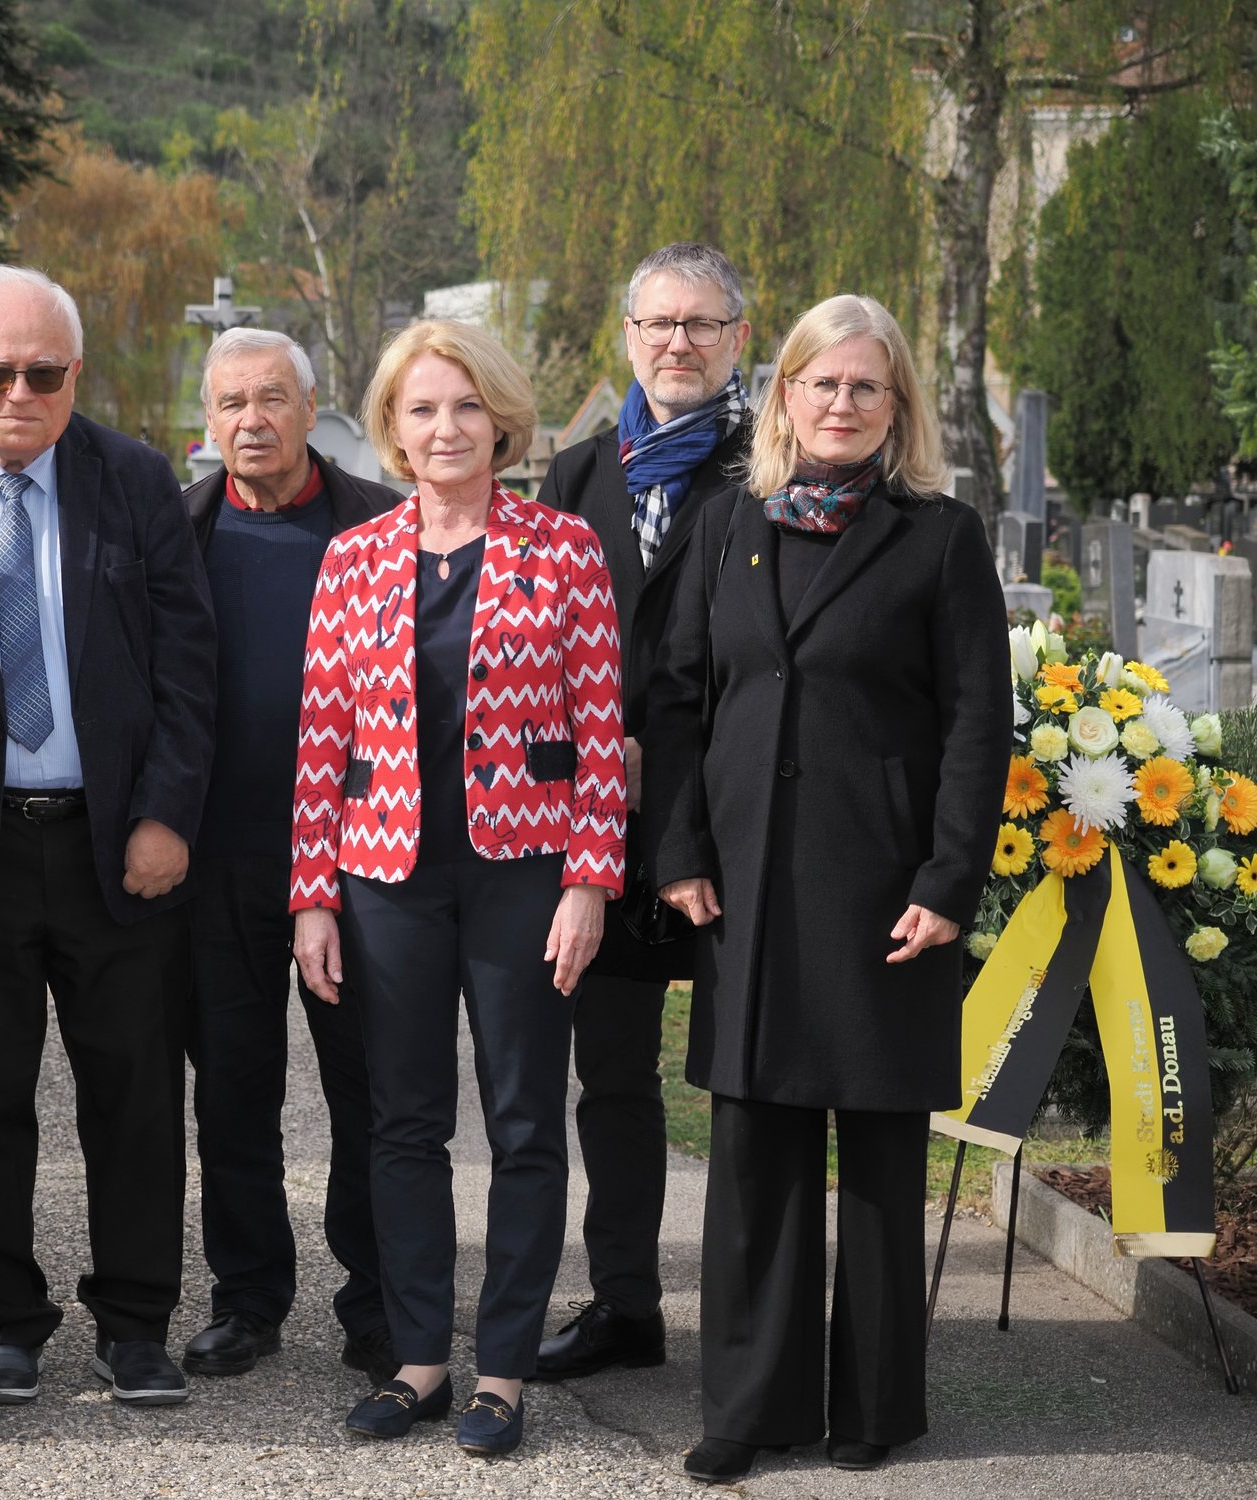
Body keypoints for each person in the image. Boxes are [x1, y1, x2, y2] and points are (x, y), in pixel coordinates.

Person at [645, 294, 1010, 1481]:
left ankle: (872, 1410)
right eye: (820, 383)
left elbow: (972, 728)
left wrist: (950, 880)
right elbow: (682, 699)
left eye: (864, 387)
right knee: (754, 1156)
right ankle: (747, 1412)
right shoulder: (723, 526)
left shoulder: (940, 538)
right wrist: (680, 850)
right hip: (746, 887)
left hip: (882, 892)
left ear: (894, 405)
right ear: (784, 393)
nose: (840, 404)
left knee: (878, 1159)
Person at [0, 266, 216, 1409]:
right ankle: (0, 1318)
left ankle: (134, 1324)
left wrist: (165, 813)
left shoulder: (129, 479)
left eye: (44, 373)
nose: (18, 394)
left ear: (75, 375)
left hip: (113, 846)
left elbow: (188, 665)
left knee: (132, 1093)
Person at [292, 320, 627, 1457]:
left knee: (525, 1122)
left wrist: (589, 883)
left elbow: (598, 737)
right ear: (392, 427)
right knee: (400, 1124)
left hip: (522, 877)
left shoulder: (566, 549)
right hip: (383, 877)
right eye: (422, 409)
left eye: (465, 407)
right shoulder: (354, 559)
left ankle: (502, 1373)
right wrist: (312, 896)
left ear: (500, 420)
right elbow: (319, 744)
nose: (444, 428)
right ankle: (418, 1360)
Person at [532, 243, 752, 1383]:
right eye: (658, 324)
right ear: (626, 337)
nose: (677, 343)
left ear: (736, 343)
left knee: (740, 1077)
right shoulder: (577, 476)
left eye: (700, 325)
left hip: (733, 829)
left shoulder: (770, 473)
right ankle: (626, 1303)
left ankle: (747, 1310)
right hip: (602, 835)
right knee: (609, 1077)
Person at [178, 328, 402, 1383]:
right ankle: (248, 1297)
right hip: (216, 859)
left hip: (354, 863)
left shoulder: (381, 526)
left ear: (313, 410)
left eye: (271, 399)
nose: (250, 421)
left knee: (365, 1088)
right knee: (231, 1088)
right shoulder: (178, 530)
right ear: (206, 422)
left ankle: (376, 1300)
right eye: (230, 404)